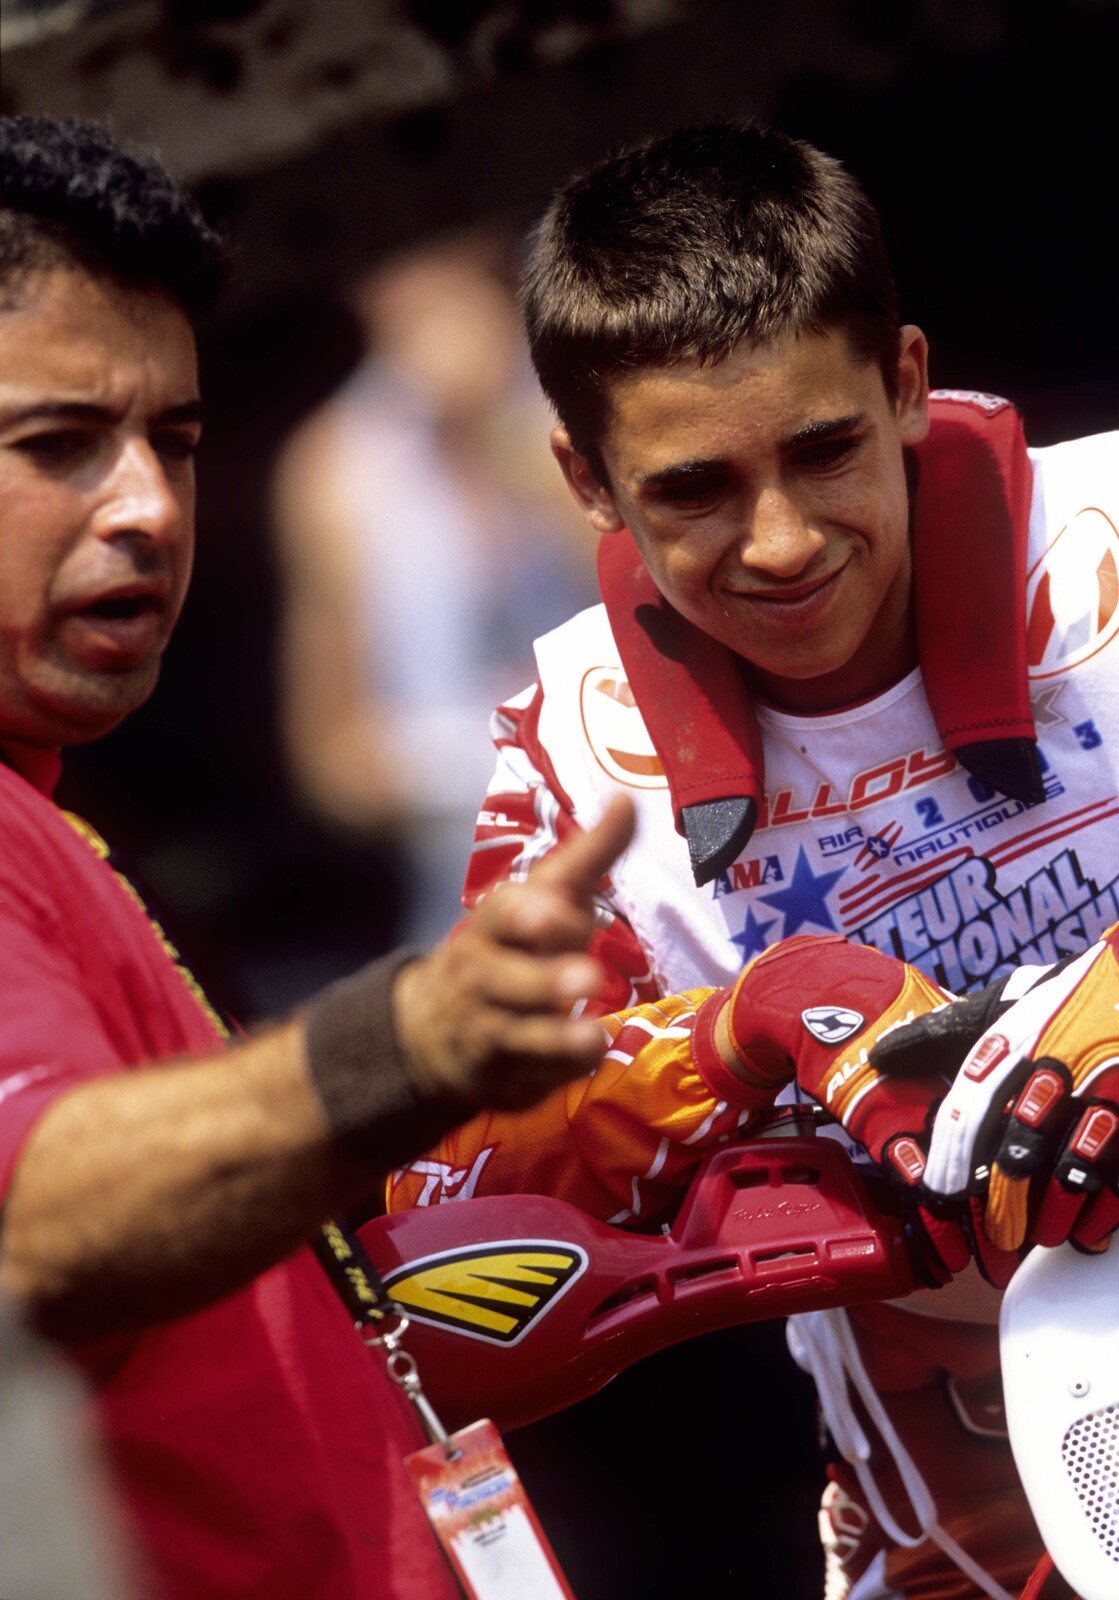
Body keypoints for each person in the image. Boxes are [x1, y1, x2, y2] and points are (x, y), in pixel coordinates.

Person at [386, 122, 1119, 1598]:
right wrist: (735, 1029)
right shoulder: (572, 760)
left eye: (822, 450)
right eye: (692, 489)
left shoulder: (1104, 547)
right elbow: (440, 1205)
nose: (778, 542)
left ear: (905, 383)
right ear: (585, 481)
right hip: (968, 1501)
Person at [0, 113, 635, 1600]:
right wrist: (406, 1040)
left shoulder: (41, 804)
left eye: (174, 440)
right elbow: (32, 1220)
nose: (150, 508)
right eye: (58, 446)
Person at [273, 233, 598, 948]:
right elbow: (330, 767)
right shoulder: (333, 466)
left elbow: (668, 604)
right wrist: (462, 761)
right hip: (480, 919)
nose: (415, 288)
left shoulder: (591, 389)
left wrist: (494, 430)